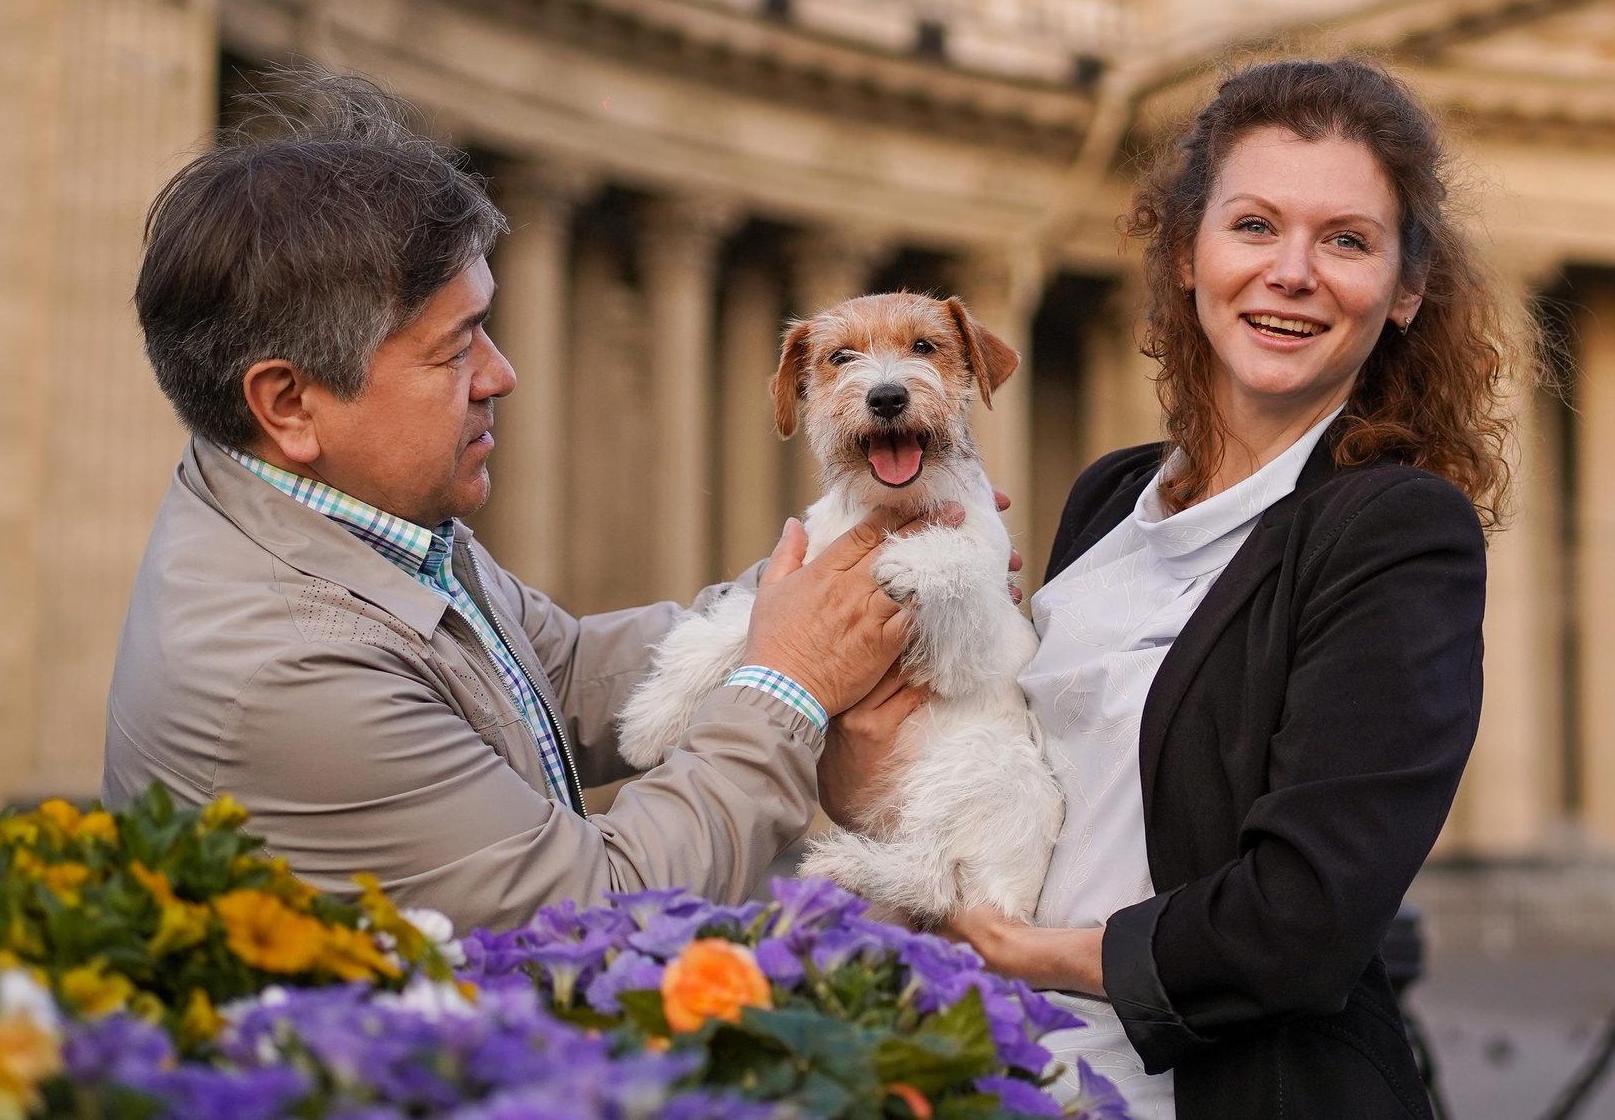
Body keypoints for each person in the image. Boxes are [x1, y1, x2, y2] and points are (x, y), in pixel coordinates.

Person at [103, 70, 932, 928]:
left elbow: (562, 673)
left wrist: (836, 577)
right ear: (288, 403)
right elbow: (601, 908)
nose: (502, 374)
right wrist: (790, 683)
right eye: (455, 348)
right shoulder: (294, 667)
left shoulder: (339, 519)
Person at [949, 58, 1513, 1120]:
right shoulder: (1110, 497)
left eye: (1346, 240)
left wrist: (1029, 952)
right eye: (1253, 225)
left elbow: (1305, 916)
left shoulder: (1397, 529)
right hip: (1016, 1076)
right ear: (1185, 253)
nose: (1291, 271)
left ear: (1404, 292)